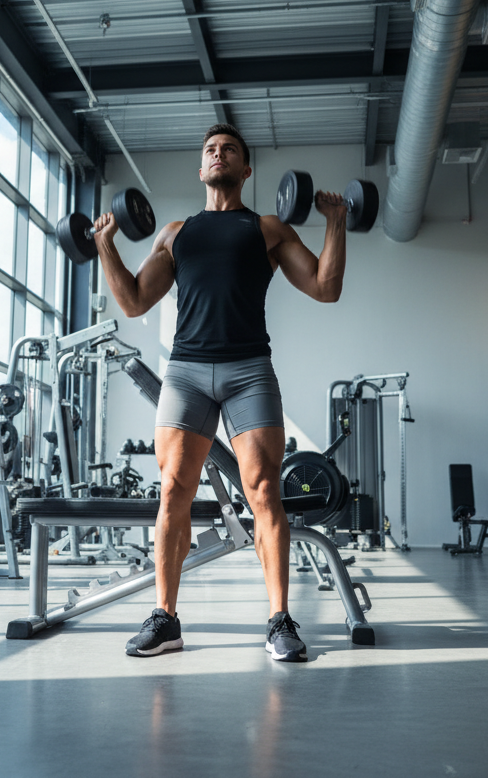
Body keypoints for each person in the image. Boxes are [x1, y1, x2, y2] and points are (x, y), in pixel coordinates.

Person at [92, 124, 347, 662]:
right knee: (172, 492)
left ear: (245, 169)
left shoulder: (268, 228)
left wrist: (337, 224)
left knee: (264, 492)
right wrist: (104, 244)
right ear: (200, 168)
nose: (217, 154)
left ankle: (279, 620)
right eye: (210, 150)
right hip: (186, 372)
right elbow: (135, 302)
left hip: (249, 370)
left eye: (228, 149)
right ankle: (165, 619)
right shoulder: (175, 233)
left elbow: (326, 287)